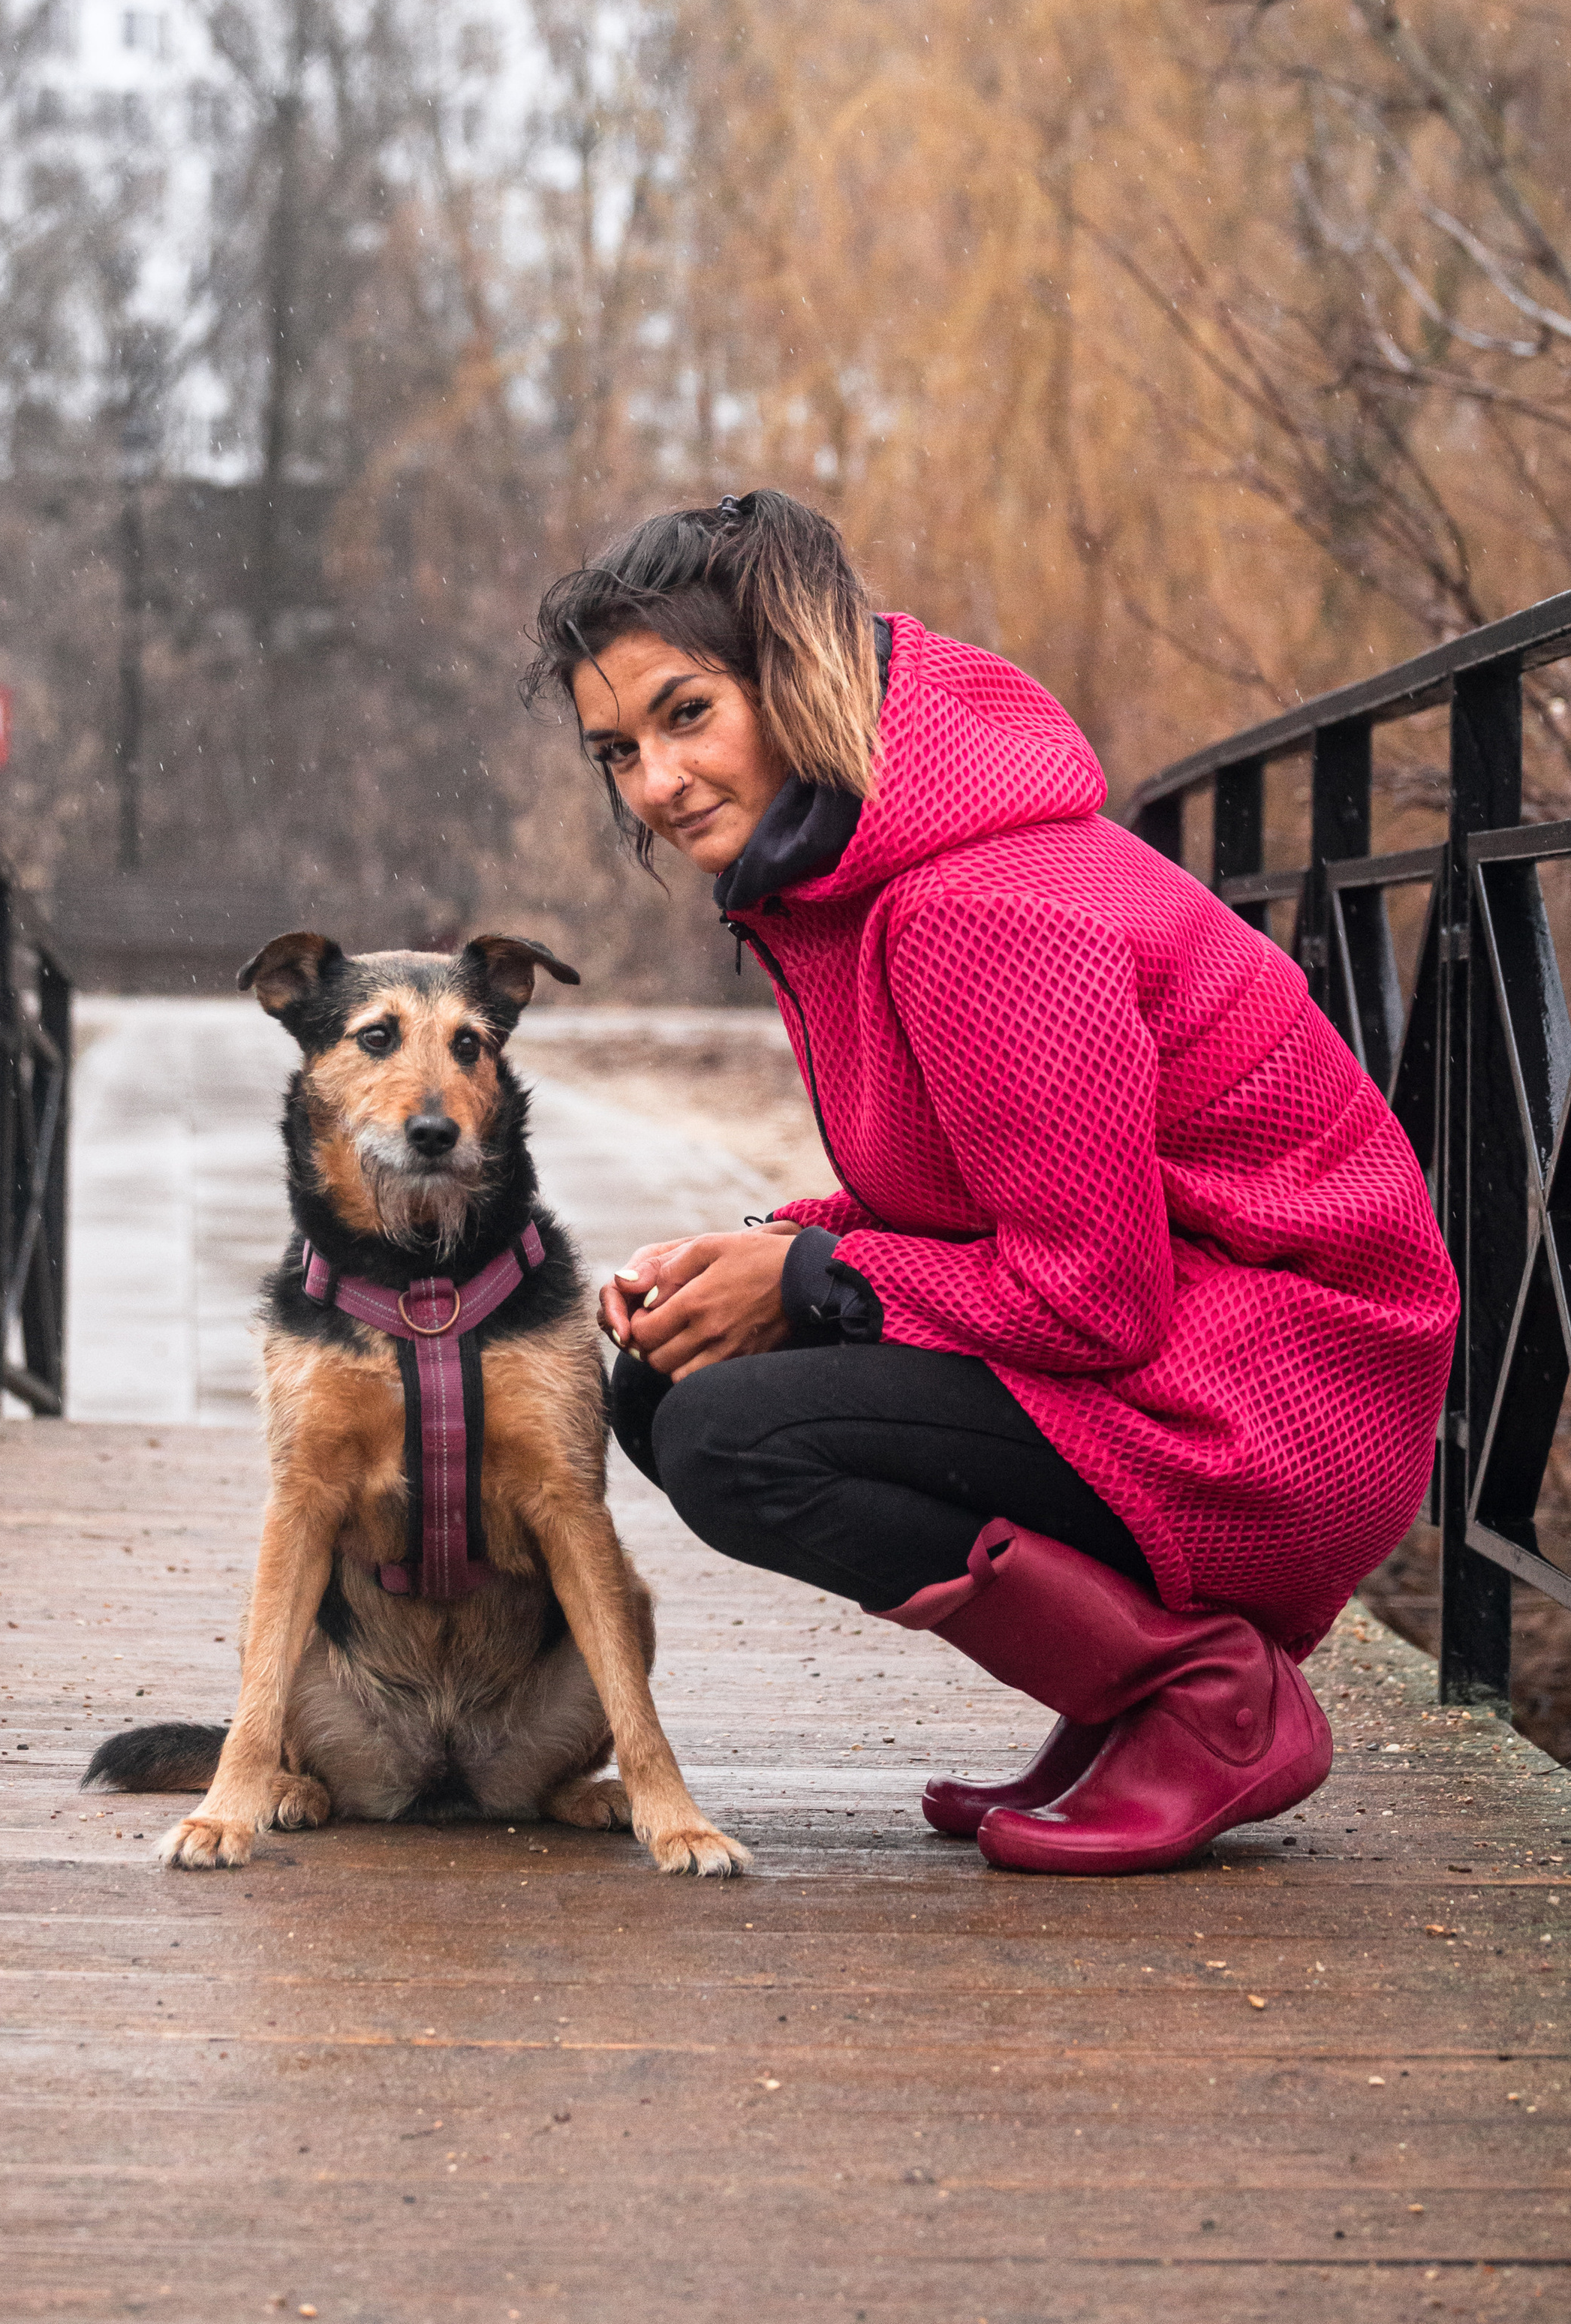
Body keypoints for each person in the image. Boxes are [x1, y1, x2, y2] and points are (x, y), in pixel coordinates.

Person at [522, 492, 1458, 1875]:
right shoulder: (846, 884)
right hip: (1210, 1347)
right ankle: (1132, 1692)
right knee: (668, 1382)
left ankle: (1204, 1699)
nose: (655, 783)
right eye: (618, 751)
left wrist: (812, 1280)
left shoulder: (978, 906)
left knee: (734, 1439)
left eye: (687, 714)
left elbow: (1092, 1301)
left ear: (794, 675)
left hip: (1285, 1397)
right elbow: (978, 1197)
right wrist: (773, 1249)